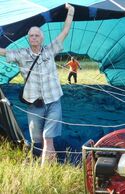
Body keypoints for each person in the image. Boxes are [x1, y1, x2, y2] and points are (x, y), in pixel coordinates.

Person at [0, 3, 75, 166]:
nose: (34, 38)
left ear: (42, 38)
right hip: (34, 104)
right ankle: (50, 164)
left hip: (53, 101)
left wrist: (71, 11)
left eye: (36, 35)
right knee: (37, 139)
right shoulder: (20, 54)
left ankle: (43, 171)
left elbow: (65, 31)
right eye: (31, 36)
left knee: (48, 138)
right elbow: (3, 51)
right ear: (28, 39)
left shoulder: (49, 50)